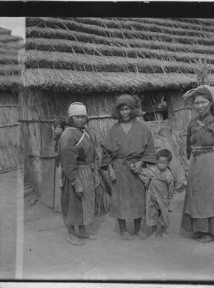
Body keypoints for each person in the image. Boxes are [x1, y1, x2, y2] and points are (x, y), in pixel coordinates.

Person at [180, 85, 214, 243]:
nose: (200, 106)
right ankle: (199, 229)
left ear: (211, 103)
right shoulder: (192, 123)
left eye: (203, 102)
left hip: (213, 164)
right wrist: (192, 157)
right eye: (196, 103)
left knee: (213, 198)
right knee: (196, 196)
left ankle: (213, 232)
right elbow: (188, 145)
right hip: (197, 164)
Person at [101, 94, 157, 241]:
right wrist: (110, 168)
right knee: (120, 199)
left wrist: (141, 162)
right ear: (118, 111)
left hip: (136, 169)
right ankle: (123, 229)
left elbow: (150, 149)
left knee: (137, 198)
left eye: (127, 109)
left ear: (132, 110)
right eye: (121, 110)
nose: (124, 112)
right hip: (119, 168)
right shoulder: (113, 129)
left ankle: (138, 229)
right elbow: (106, 152)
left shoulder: (143, 128)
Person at [58, 102, 98, 245]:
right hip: (74, 175)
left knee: (83, 205)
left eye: (83, 117)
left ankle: (82, 230)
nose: (80, 119)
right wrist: (76, 182)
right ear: (70, 118)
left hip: (86, 172)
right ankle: (71, 234)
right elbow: (68, 163)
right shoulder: (67, 135)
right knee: (73, 205)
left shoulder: (83, 131)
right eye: (77, 117)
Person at [136, 149, 174, 239]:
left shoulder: (168, 175)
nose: (161, 164)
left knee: (164, 214)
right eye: (160, 162)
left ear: (168, 163)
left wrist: (170, 199)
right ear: (157, 161)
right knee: (152, 213)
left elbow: (171, 188)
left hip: (163, 198)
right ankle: (154, 231)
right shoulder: (152, 170)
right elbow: (142, 172)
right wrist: (135, 168)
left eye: (164, 163)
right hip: (151, 196)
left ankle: (163, 231)